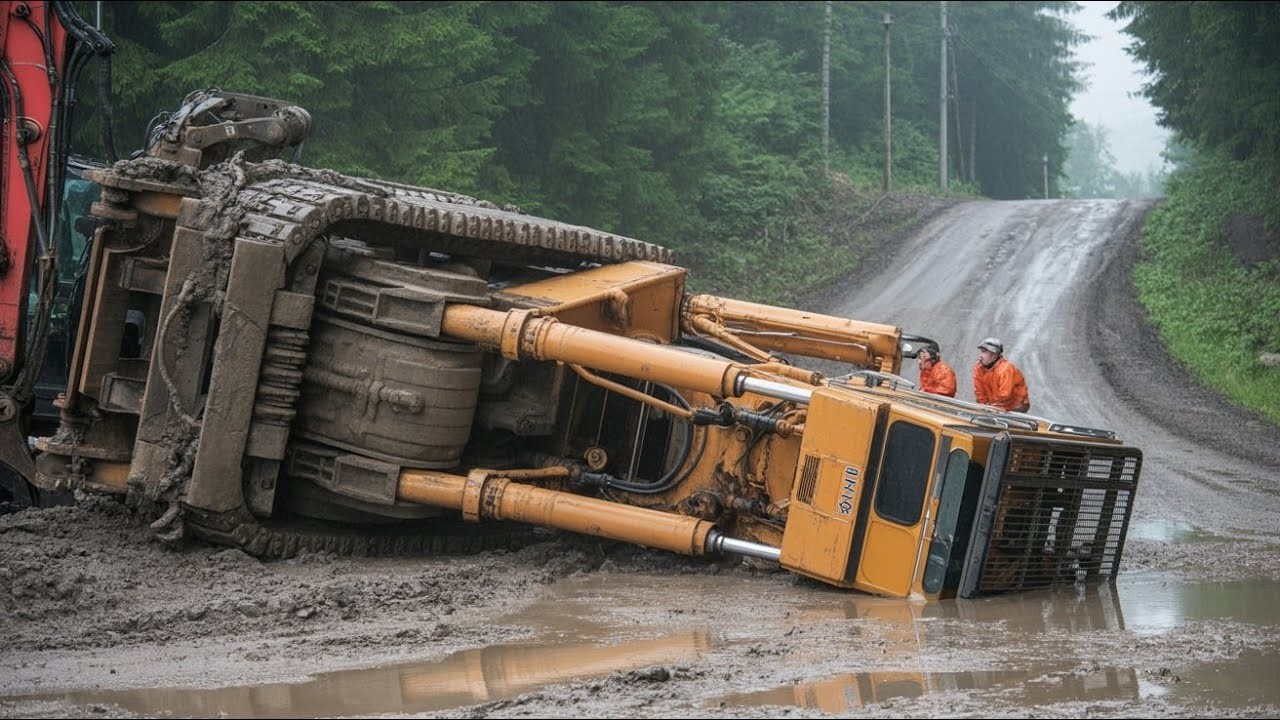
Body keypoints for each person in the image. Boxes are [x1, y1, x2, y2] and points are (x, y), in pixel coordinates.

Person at [973, 337, 1031, 412]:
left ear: (993, 355)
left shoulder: (1005, 369)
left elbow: (1005, 395)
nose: (981, 355)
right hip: (995, 405)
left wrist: (992, 409)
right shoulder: (979, 368)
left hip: (1015, 406)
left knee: (1005, 420)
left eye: (984, 352)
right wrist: (983, 406)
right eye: (981, 352)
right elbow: (979, 392)